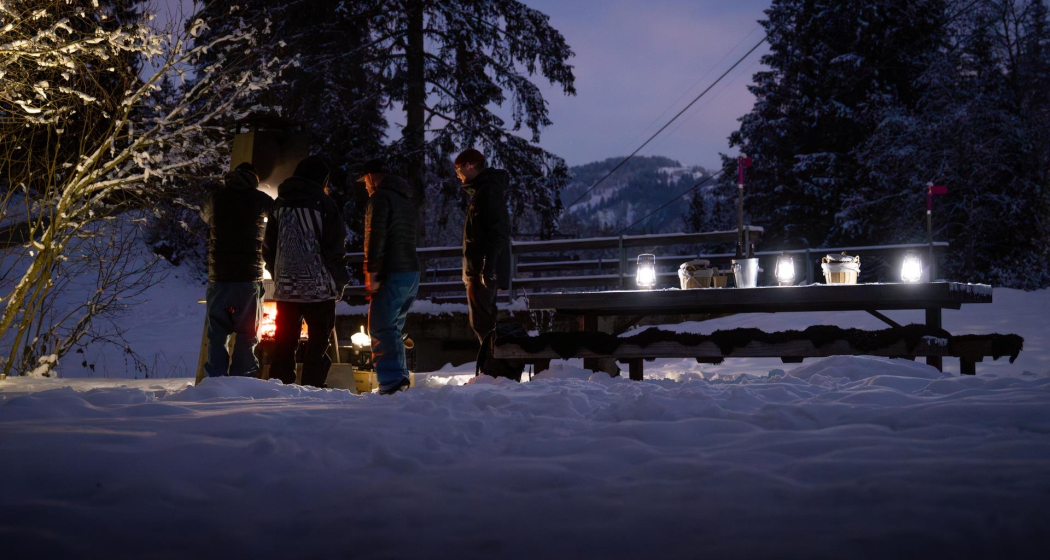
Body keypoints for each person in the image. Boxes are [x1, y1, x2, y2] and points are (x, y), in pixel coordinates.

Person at [262, 155, 350, 387]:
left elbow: (268, 245)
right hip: (319, 288)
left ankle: (280, 387)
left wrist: (276, 272)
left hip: (286, 287)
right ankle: (313, 388)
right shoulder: (325, 204)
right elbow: (334, 247)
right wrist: (340, 280)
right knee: (318, 344)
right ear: (322, 179)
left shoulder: (279, 204)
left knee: (284, 341)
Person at [454, 148, 522, 380]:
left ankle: (495, 371)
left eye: (459, 169)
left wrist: (487, 266)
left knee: (483, 321)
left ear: (470, 165)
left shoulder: (487, 192)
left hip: (481, 270)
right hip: (479, 268)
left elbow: (498, 232)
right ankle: (493, 369)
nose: (458, 175)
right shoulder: (484, 191)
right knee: (483, 319)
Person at [200, 162, 273, 378]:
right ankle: (242, 381)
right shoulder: (261, 200)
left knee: (217, 334)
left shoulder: (215, 197)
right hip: (248, 278)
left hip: (219, 277)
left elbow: (205, 217)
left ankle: (214, 381)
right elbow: (277, 220)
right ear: (255, 180)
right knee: (247, 334)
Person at [359, 159, 420, 394]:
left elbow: (374, 235)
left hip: (392, 272)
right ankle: (399, 379)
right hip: (411, 273)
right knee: (394, 327)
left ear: (372, 177)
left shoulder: (380, 198)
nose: (365, 186)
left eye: (365, 181)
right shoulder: (404, 200)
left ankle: (392, 382)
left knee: (381, 326)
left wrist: (371, 271)